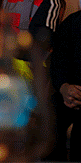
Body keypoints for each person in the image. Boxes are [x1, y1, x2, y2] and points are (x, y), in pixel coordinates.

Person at [48, 10, 81, 162]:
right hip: (70, 93)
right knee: (49, 116)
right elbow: (58, 61)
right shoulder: (74, 21)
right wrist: (64, 87)